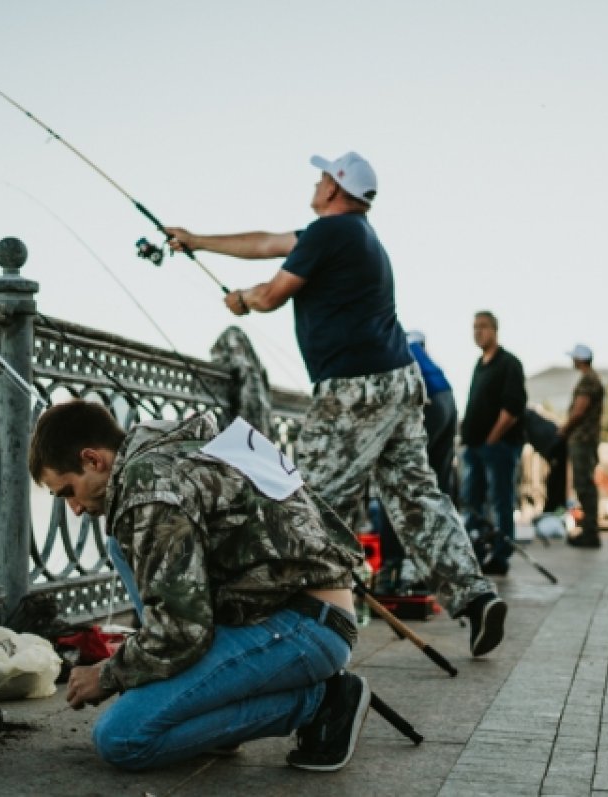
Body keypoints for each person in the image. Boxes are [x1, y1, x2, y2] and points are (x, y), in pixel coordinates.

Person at [163, 152, 505, 658]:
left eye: (323, 177)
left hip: (355, 391)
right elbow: (264, 243)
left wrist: (243, 299)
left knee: (308, 500)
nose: (316, 182)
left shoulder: (333, 232)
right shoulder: (350, 236)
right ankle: (475, 597)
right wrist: (197, 240)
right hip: (398, 382)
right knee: (416, 497)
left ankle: (301, 612)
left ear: (336, 188)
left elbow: (276, 291)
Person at [29, 400, 369, 772]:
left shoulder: (150, 485)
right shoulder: (172, 448)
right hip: (283, 607)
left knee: (123, 738)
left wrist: (109, 674)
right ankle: (213, 710)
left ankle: (321, 703)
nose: (74, 508)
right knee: (119, 544)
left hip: (306, 627)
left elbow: (181, 629)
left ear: (93, 460)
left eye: (67, 492)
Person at [460, 311, 527, 574]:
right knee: (473, 502)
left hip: (498, 446)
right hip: (475, 447)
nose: (478, 332)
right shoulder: (480, 364)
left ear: (495, 330)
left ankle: (500, 555)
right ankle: (476, 551)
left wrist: (492, 439)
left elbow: (512, 408)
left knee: (500, 500)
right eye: (474, 327)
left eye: (483, 327)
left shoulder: (509, 363)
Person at [559, 344, 605, 549]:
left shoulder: (588, 380)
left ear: (580, 359)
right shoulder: (592, 378)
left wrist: (565, 429)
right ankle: (589, 529)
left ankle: (590, 532)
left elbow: (579, 411)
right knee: (585, 484)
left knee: (584, 484)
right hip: (586, 438)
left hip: (583, 439)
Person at [405, 329, 458, 496]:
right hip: (448, 398)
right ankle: (445, 518)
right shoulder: (428, 359)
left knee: (414, 467)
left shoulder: (403, 345)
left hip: (433, 400)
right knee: (441, 470)